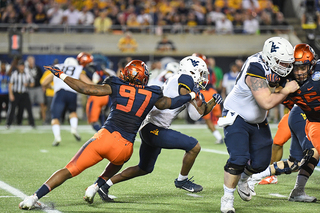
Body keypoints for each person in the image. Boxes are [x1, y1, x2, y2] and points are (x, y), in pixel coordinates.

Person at [18, 59, 199, 210]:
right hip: (125, 148)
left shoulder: (116, 84)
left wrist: (61, 74)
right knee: (115, 164)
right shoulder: (152, 93)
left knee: (69, 169)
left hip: (105, 137)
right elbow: (172, 102)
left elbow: (86, 89)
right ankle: (95, 187)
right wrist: (191, 95)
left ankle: (32, 198)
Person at [82, 56, 223, 204]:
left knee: (144, 168)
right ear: (192, 70)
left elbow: (196, 114)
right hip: (155, 128)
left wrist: (212, 101)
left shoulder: (184, 81)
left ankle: (105, 185)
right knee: (194, 146)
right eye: (200, 73)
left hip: (150, 128)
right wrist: (196, 95)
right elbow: (187, 98)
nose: (202, 77)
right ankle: (182, 180)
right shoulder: (186, 79)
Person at [218, 36, 300, 213]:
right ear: (270, 58)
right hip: (237, 116)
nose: (286, 67)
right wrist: (286, 89)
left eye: (288, 63)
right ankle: (227, 199)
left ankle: (243, 179)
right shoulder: (256, 66)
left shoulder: (276, 65)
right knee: (238, 158)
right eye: (282, 63)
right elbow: (267, 103)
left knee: (262, 163)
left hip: (257, 120)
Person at [248, 105, 318, 202]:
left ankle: (253, 177)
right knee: (313, 152)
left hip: (302, 114)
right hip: (304, 114)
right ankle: (298, 191)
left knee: (294, 164)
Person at [41, 57, 92, 146]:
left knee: (55, 117)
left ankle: (57, 137)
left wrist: (52, 87)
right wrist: (96, 82)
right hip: (72, 93)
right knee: (72, 112)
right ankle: (74, 128)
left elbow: (44, 82)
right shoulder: (78, 68)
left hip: (60, 93)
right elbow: (88, 83)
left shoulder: (58, 67)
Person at [192, 53, 223, 144]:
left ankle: (219, 137)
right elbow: (214, 81)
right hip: (212, 91)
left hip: (202, 93)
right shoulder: (210, 69)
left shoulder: (195, 69)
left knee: (207, 118)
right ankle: (233, 134)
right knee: (219, 115)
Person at [6, 60, 35, 129]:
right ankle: (8, 123)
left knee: (28, 108)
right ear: (18, 66)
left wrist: (27, 84)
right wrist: (11, 94)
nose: (21, 67)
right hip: (16, 93)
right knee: (12, 109)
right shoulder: (14, 74)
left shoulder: (27, 74)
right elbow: (10, 84)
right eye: (20, 66)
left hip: (24, 93)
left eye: (22, 66)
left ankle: (32, 123)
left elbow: (32, 83)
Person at [25, 56, 46, 124]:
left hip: (38, 88)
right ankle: (30, 120)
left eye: (32, 61)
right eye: (30, 61)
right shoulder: (26, 70)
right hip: (30, 89)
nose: (31, 62)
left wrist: (43, 87)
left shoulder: (38, 68)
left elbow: (42, 78)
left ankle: (44, 120)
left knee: (42, 104)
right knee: (29, 105)